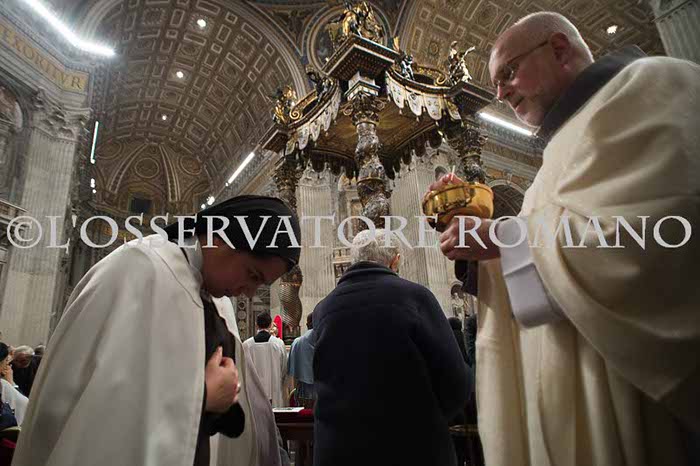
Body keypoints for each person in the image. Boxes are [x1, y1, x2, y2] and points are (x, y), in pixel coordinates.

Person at [429, 11, 700, 466]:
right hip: (572, 385)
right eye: (496, 84)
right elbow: (537, 281)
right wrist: (477, 246)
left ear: (558, 49)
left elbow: (656, 236)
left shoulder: (652, 84)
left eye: (508, 73)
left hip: (633, 391)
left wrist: (501, 238)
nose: (500, 94)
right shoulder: (555, 155)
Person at [13, 196, 301, 466]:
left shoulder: (219, 303)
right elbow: (94, 412)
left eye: (260, 284)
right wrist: (204, 396)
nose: (250, 292)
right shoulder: (138, 269)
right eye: (252, 275)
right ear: (220, 237)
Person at [313, 228, 471, 466]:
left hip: (339, 449)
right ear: (395, 260)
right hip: (411, 446)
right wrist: (429, 419)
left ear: (354, 261)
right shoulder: (415, 297)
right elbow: (456, 381)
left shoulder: (323, 309)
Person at [243, 312, 288, 408]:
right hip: (274, 392)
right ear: (271, 325)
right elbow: (284, 369)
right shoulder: (278, 344)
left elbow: (243, 370)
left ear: (256, 324)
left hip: (253, 394)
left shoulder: (246, 345)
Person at [288, 312, 316, 408]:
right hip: (323, 393)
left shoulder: (297, 342)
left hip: (303, 394)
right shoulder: (328, 340)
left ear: (307, 325)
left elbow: (292, 374)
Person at [0, 343, 27, 425]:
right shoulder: (3, 385)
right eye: (6, 361)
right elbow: (24, 403)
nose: (7, 365)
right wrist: (12, 383)